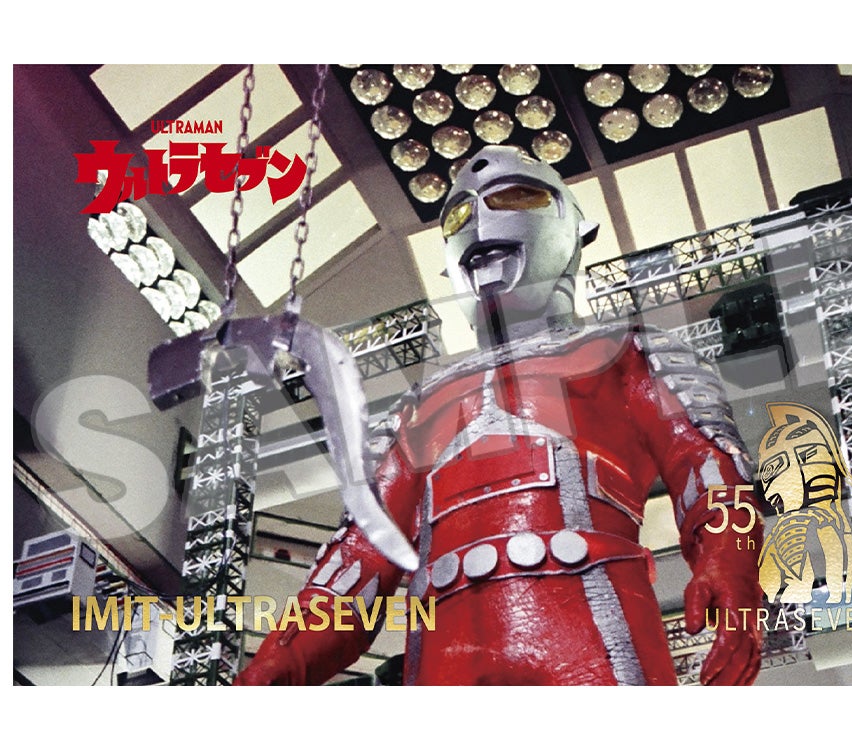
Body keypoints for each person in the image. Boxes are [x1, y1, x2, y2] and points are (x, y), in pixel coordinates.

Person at [235, 145, 764, 685]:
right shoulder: (421, 403)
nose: (481, 220)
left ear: (572, 231)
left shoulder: (624, 351)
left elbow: (706, 461)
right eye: (460, 214)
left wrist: (731, 560)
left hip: (591, 624)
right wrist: (285, 654)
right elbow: (364, 550)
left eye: (515, 197)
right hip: (445, 646)